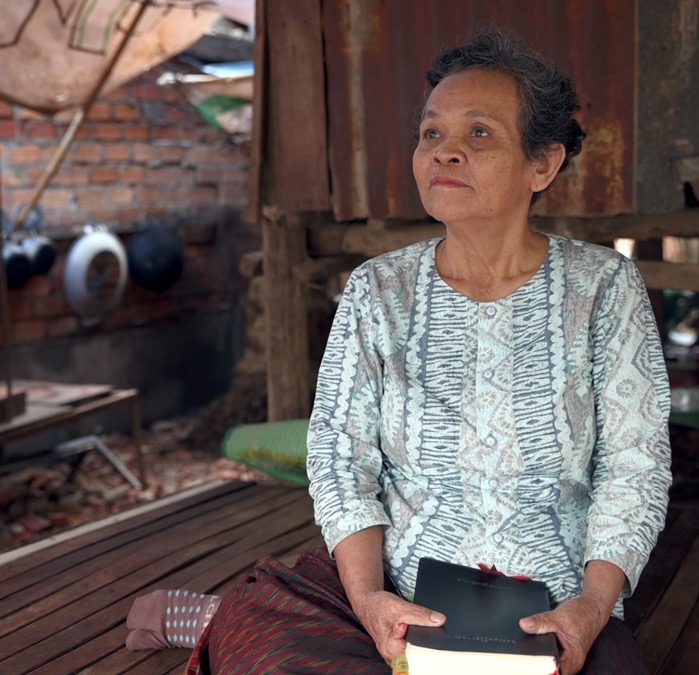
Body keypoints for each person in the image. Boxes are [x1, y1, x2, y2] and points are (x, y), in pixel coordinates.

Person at [126, 26, 671, 675]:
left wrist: (591, 607)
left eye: (478, 133)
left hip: (551, 607)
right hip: (399, 591)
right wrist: (367, 598)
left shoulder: (604, 288)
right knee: (273, 643)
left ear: (543, 164)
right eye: (430, 132)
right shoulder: (378, 290)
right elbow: (340, 455)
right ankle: (236, 616)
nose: (444, 152)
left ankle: (218, 616)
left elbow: (635, 466)